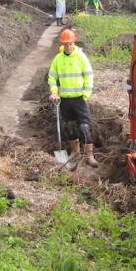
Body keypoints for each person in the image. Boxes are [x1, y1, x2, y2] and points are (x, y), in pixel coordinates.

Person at [47, 28, 97, 168]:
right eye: (66, 44)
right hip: (64, 99)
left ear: (74, 42)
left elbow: (88, 75)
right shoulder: (58, 59)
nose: (68, 46)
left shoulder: (81, 57)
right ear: (62, 44)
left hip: (79, 98)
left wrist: (86, 94)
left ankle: (89, 155)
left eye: (70, 43)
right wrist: (54, 92)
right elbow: (52, 77)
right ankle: (75, 151)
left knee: (84, 126)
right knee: (70, 126)